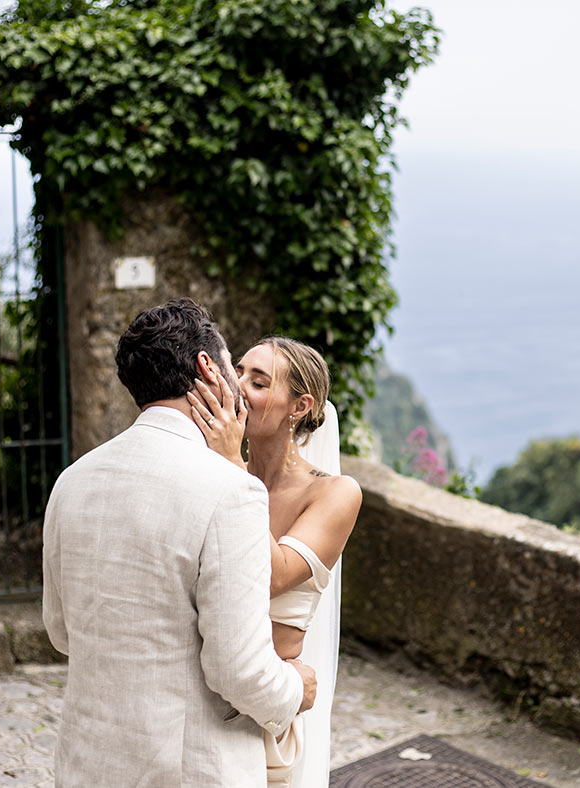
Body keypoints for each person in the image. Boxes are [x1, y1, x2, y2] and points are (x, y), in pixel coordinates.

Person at [42, 299, 317, 788]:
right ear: (207, 368)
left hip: (87, 761)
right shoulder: (232, 491)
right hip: (187, 769)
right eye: (233, 365)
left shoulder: (72, 480)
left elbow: (61, 632)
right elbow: (238, 671)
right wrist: (296, 687)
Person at [186, 336, 361, 788]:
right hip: (196, 697)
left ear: (299, 406)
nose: (237, 385)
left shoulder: (335, 493)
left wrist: (228, 461)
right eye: (238, 371)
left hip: (264, 713)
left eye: (258, 382)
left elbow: (274, 574)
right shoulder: (214, 473)